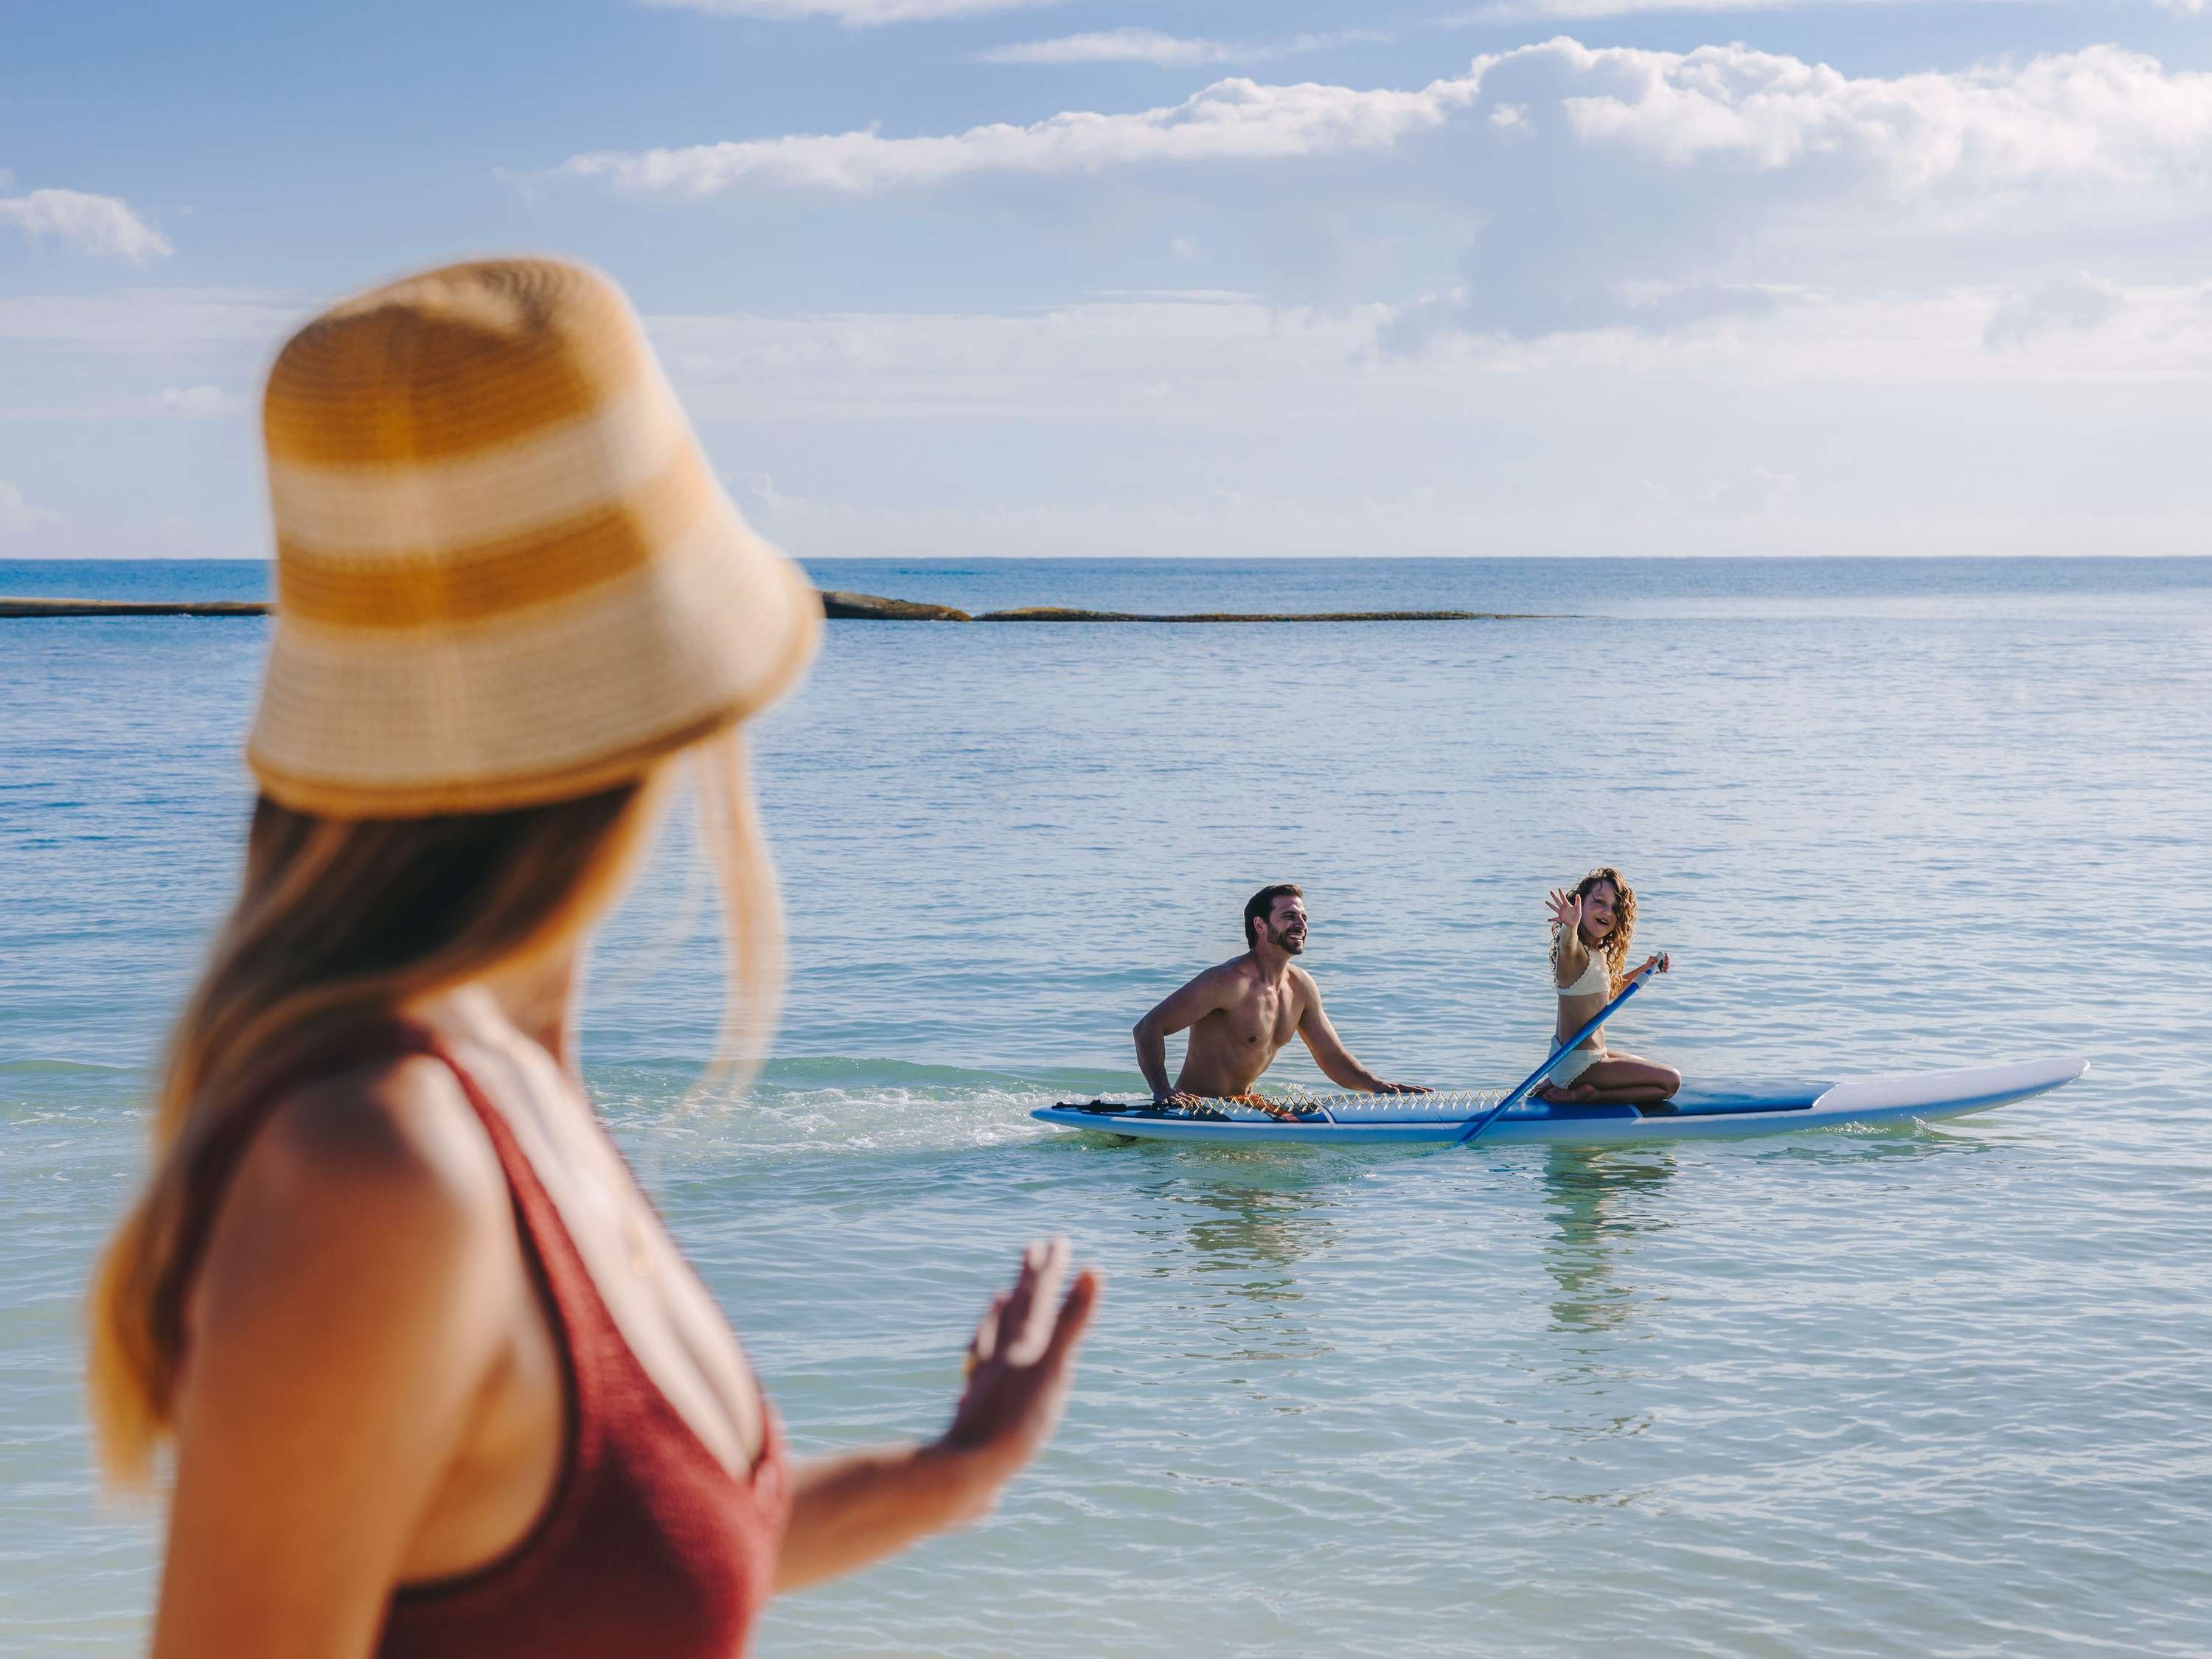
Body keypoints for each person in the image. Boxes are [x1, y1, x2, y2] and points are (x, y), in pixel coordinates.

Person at [84, 258, 1099, 1659]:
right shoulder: (381, 1165)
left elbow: (631, 1572)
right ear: (668, 702)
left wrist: (954, 1473)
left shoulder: (503, 1082)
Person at [1132, 883, 1427, 1119]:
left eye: (1303, 918)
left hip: (1243, 1107)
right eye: (1289, 917)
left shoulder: (1301, 986)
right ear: (1260, 926)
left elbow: (1332, 1058)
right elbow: (1147, 1028)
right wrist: (1162, 1090)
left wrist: (1379, 1087)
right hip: (1196, 1110)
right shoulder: (1226, 982)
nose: (1300, 924)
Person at [1531, 867, 1680, 1107]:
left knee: (1644, 1065)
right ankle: (1588, 1094)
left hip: (1575, 1061)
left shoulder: (1594, 954)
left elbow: (1607, 992)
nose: (1606, 912)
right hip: (1580, 1065)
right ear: (1578, 905)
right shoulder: (1574, 954)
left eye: (1614, 908)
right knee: (1671, 1081)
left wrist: (1646, 967)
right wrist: (1569, 927)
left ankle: (1561, 1081)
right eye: (1599, 902)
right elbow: (1567, 945)